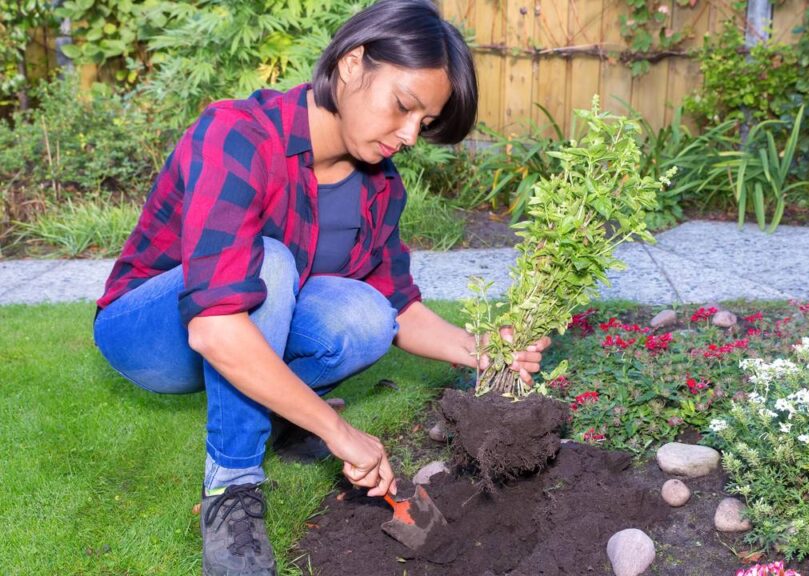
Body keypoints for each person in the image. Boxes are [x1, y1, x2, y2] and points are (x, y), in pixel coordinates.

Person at [92, 1, 549, 574]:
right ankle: (232, 487)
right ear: (353, 64)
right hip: (152, 336)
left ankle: (279, 415)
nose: (409, 135)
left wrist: (483, 350)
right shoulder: (238, 135)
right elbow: (214, 327)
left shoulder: (379, 186)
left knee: (367, 316)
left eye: (424, 124)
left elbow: (399, 306)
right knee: (271, 264)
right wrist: (338, 431)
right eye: (404, 107)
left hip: (244, 327)